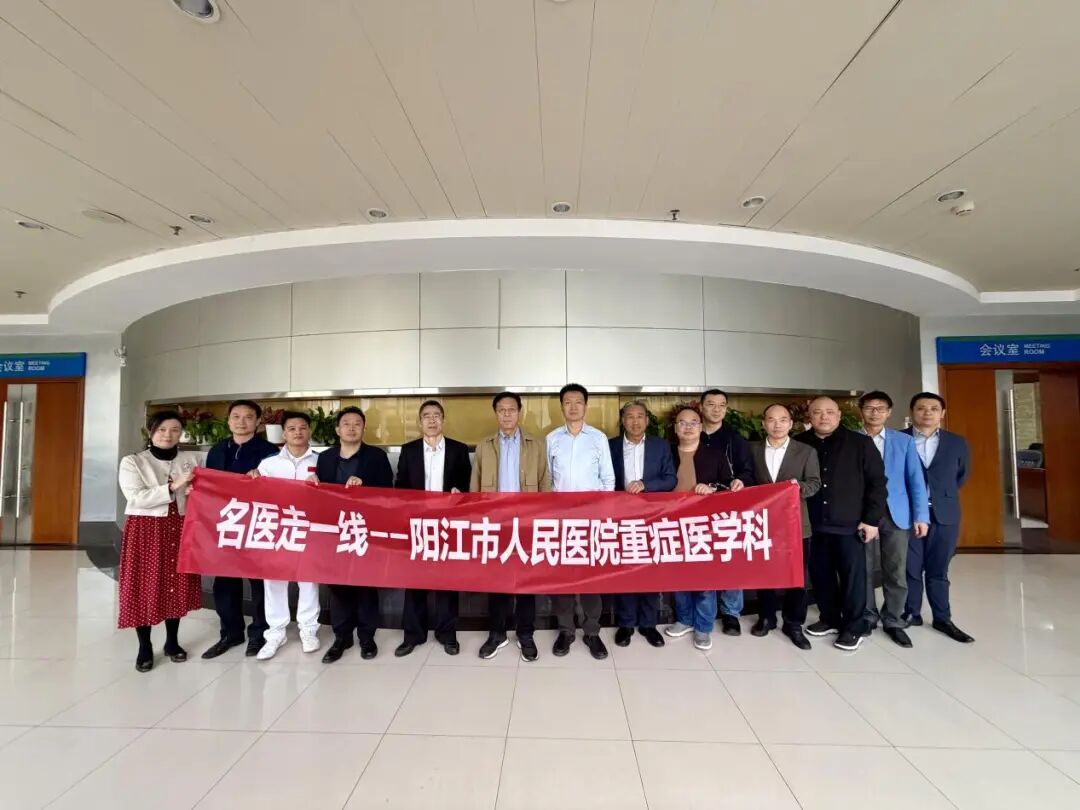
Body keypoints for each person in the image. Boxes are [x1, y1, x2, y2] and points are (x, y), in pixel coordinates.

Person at [795, 397, 887, 652]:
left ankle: (855, 627)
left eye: (829, 412)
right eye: (817, 412)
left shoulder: (860, 443)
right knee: (821, 575)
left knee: (852, 578)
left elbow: (877, 484)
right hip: (812, 523)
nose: (823, 417)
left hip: (849, 523)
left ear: (838, 415)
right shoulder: (800, 443)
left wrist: (871, 520)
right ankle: (830, 618)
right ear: (809, 416)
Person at [117, 410, 204, 672]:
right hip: (146, 529)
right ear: (151, 432)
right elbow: (135, 498)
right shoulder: (133, 462)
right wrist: (173, 486)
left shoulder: (192, 459)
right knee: (144, 584)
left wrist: (195, 490)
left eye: (175, 430)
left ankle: (172, 642)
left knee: (175, 582)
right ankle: (144, 646)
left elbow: (209, 484)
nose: (168, 435)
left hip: (180, 526)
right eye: (162, 429)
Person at [471, 391, 552, 662]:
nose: (506, 414)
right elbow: (475, 487)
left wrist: (542, 520)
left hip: (527, 523)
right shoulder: (484, 446)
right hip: (495, 524)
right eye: (501, 410)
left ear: (520, 412)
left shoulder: (536, 445)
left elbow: (545, 483)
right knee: (496, 581)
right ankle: (497, 633)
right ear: (496, 413)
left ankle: (525, 633)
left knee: (527, 581)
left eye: (511, 409)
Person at [313, 406, 394, 663]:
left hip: (365, 529)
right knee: (337, 585)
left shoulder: (376, 457)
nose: (351, 428)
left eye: (357, 423)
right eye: (346, 423)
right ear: (337, 429)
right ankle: (342, 637)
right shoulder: (325, 458)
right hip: (334, 531)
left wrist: (365, 487)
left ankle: (367, 637)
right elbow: (318, 495)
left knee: (366, 584)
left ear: (363, 428)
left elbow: (389, 493)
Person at [201, 400, 278, 660]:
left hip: (258, 524)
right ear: (229, 420)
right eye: (236, 416)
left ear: (258, 421)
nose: (241, 422)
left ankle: (260, 634)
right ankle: (230, 633)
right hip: (226, 524)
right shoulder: (217, 450)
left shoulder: (270, 452)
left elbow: (279, 490)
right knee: (224, 581)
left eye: (248, 417)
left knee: (260, 583)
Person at [394, 400, 472, 657]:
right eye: (426, 416)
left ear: (443, 420)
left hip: (448, 524)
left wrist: (460, 493)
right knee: (414, 581)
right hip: (418, 525)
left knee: (447, 580)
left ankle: (447, 634)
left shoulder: (459, 450)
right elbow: (400, 487)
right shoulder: (409, 450)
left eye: (436, 415)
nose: (431, 420)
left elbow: (468, 485)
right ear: (420, 422)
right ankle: (413, 635)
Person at [547, 383, 615, 660]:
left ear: (586, 406)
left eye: (578, 402)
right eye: (567, 402)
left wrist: (601, 514)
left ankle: (592, 631)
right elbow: (547, 481)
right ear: (561, 406)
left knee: (590, 578)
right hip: (561, 521)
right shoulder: (552, 438)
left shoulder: (598, 438)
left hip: (591, 521)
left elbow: (608, 480)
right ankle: (566, 630)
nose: (573, 407)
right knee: (562, 578)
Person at [859, 391, 929, 648]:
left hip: (896, 513)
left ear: (889, 412)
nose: (875, 412)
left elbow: (916, 480)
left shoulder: (904, 441)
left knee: (896, 570)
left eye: (880, 408)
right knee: (863, 569)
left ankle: (893, 619)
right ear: (861, 411)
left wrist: (921, 515)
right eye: (869, 407)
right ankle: (867, 615)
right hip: (862, 514)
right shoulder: (851, 439)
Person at [903, 393, 975, 643]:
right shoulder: (899, 439)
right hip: (908, 514)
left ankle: (942, 618)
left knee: (939, 568)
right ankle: (911, 612)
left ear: (942, 414)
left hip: (944, 514)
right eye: (921, 408)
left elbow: (961, 476)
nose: (927, 413)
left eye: (934, 408)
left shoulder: (956, 442)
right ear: (912, 412)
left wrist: (939, 495)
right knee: (910, 567)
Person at [664, 404, 736, 651]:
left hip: (705, 526)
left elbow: (729, 485)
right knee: (678, 576)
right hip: (671, 525)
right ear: (675, 428)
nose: (688, 427)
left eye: (693, 422)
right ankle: (684, 619)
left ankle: (703, 627)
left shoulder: (715, 455)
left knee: (705, 579)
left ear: (701, 426)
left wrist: (713, 488)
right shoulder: (666, 453)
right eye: (682, 423)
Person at [749, 403, 821, 649]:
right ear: (763, 424)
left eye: (782, 420)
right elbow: (748, 480)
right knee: (764, 573)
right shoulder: (752, 449)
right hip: (762, 523)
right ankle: (766, 617)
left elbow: (814, 483)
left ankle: (793, 623)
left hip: (795, 524)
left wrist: (796, 488)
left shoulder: (806, 451)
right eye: (771, 419)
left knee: (796, 576)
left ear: (791, 424)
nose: (777, 424)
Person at [253, 411, 323, 661]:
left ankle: (308, 629)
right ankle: (275, 633)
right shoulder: (268, 464)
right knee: (274, 581)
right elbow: (256, 495)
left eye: (302, 428)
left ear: (309, 431)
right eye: (292, 428)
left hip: (309, 529)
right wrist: (252, 480)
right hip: (276, 530)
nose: (297, 432)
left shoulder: (322, 461)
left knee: (308, 580)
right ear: (283, 433)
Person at [609, 400, 676, 648]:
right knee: (624, 571)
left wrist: (645, 485)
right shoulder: (610, 446)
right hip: (620, 518)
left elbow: (670, 479)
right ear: (622, 421)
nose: (635, 421)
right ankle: (626, 624)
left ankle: (648, 624)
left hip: (652, 517)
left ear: (647, 420)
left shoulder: (661, 446)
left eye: (640, 416)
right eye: (629, 416)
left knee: (650, 570)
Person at [699, 389, 753, 636]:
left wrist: (741, 481)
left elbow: (747, 472)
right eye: (711, 404)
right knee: (704, 561)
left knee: (731, 560)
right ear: (701, 407)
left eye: (721, 405)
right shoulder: (690, 434)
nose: (716, 409)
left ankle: (731, 613)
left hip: (728, 511)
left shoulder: (735, 440)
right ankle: (706, 613)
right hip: (696, 511)